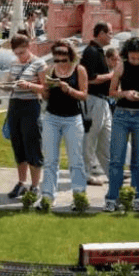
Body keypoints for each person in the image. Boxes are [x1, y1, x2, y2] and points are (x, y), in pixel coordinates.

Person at [105, 38, 139, 212]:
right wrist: (124, 93)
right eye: (132, 58)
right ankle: (112, 198)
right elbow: (111, 92)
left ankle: (137, 197)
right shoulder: (121, 66)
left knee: (138, 162)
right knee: (116, 160)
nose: (135, 61)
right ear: (127, 55)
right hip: (121, 115)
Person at [39, 40, 88, 211]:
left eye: (63, 60)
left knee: (76, 160)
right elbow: (45, 96)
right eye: (56, 59)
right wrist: (43, 89)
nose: (59, 63)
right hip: (52, 117)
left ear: (70, 57)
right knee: (50, 160)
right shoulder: (48, 71)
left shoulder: (79, 70)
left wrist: (68, 89)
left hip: (72, 119)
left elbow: (84, 95)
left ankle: (79, 196)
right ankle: (47, 197)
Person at [4, 33, 46, 199]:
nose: (19, 56)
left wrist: (29, 85)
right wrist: (7, 85)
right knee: (18, 144)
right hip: (15, 104)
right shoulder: (14, 64)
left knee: (33, 144)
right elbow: (10, 81)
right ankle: (21, 182)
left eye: (22, 52)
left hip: (31, 105)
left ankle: (35, 185)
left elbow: (45, 88)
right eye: (16, 53)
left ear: (29, 48)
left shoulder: (39, 63)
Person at [80, 22, 113, 186]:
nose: (111, 36)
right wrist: (110, 76)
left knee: (106, 139)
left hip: (102, 101)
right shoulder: (91, 52)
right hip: (93, 100)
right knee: (90, 138)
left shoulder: (98, 51)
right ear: (101, 33)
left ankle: (112, 172)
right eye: (109, 33)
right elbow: (91, 78)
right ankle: (85, 173)